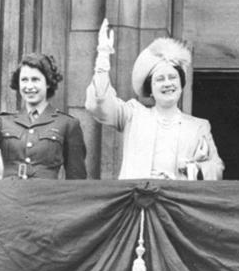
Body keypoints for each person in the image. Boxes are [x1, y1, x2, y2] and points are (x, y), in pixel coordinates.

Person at [85, 19, 223, 180]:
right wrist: (103, 56)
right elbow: (100, 104)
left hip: (176, 202)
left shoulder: (199, 126)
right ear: (150, 89)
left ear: (181, 84)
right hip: (138, 201)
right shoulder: (133, 114)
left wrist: (193, 169)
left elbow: (217, 169)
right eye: (160, 79)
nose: (167, 84)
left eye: (172, 77)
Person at [0, 54, 87, 179]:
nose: (29, 86)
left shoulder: (67, 124)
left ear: (48, 82)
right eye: (24, 80)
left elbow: (76, 178)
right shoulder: (5, 121)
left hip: (45, 197)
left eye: (35, 79)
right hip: (10, 196)